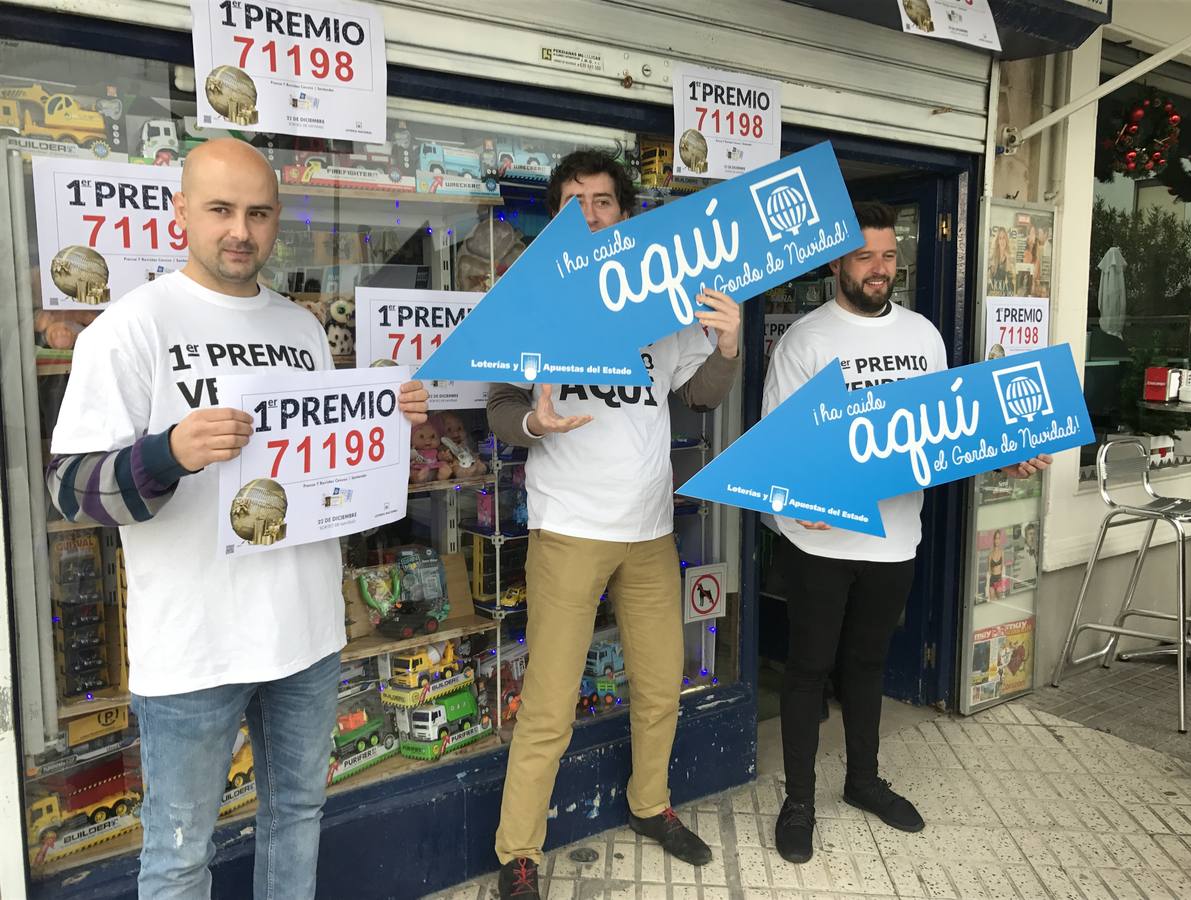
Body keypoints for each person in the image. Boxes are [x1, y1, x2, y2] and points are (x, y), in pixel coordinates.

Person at [46, 138, 429, 899]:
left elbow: (324, 475)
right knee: (178, 855)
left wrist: (385, 427)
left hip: (306, 637)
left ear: (276, 220)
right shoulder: (131, 327)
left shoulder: (302, 329)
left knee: (298, 815)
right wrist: (168, 453)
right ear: (181, 210)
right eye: (220, 209)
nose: (239, 231)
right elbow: (69, 490)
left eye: (256, 213)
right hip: (194, 650)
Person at [486, 149, 742, 898]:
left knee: (662, 686)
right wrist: (532, 422)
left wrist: (728, 344)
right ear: (556, 217)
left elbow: (699, 397)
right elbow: (499, 410)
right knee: (550, 706)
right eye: (574, 203)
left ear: (626, 217)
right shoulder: (530, 303)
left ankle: (649, 805)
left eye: (603, 202)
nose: (590, 216)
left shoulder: (661, 304)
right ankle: (519, 853)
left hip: (649, 531)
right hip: (567, 531)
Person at [762, 201, 1050, 864]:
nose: (879, 269)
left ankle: (863, 781)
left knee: (867, 666)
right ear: (837, 261)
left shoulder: (924, 336)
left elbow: (952, 434)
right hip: (820, 545)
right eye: (865, 256)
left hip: (896, 539)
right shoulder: (807, 341)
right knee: (807, 672)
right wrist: (788, 509)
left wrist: (1007, 450)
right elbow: (776, 452)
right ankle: (799, 800)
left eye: (889, 256)